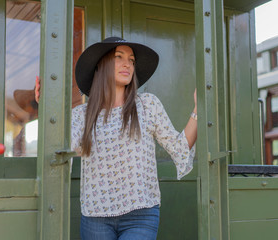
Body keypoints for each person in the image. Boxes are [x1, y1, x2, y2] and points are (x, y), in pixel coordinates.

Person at [36, 36, 197, 240]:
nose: (127, 64)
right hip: (95, 217)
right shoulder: (81, 115)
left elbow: (180, 148)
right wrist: (46, 106)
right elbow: (65, 145)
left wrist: (198, 109)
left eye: (131, 60)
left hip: (141, 214)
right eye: (118, 57)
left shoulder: (148, 105)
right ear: (101, 65)